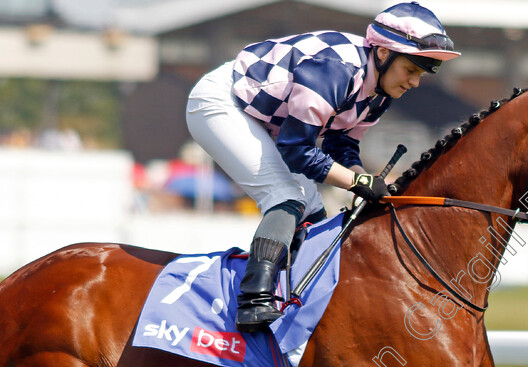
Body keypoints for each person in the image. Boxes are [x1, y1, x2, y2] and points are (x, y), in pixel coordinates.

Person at [185, 2, 460, 333]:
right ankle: (253, 302)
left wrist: (364, 179)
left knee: (313, 214)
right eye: (411, 70)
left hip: (268, 122)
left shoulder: (380, 91)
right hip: (224, 101)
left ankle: (295, 296)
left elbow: (340, 145)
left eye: (421, 74)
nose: (414, 83)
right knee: (286, 197)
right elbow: (297, 150)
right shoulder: (335, 70)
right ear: (385, 54)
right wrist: (356, 181)